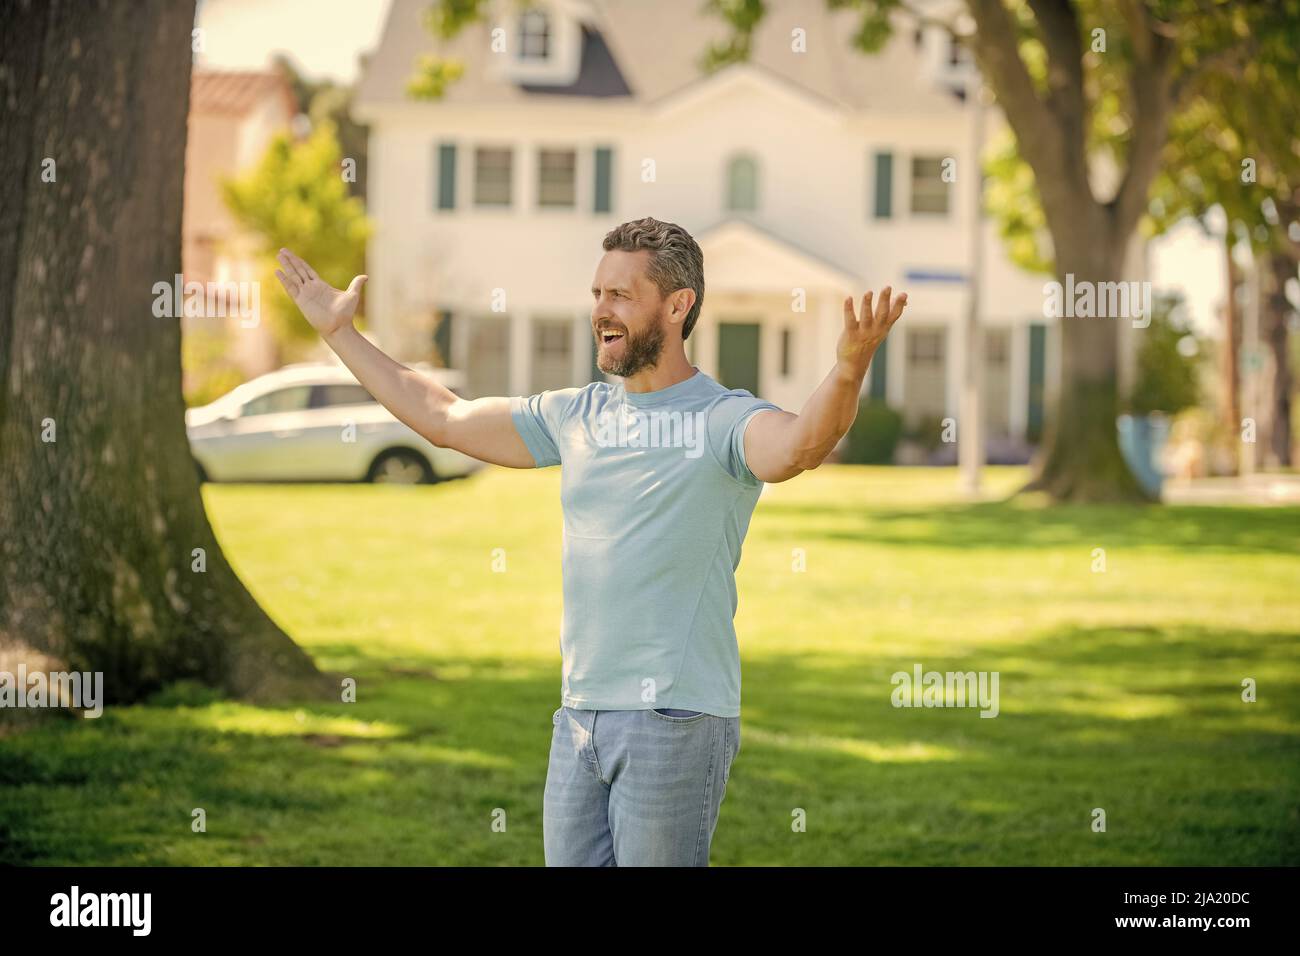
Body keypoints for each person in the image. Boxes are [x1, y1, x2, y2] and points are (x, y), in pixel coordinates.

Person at [274, 216, 907, 865]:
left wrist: (849, 370)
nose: (600, 311)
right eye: (597, 293)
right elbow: (443, 418)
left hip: (675, 717)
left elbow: (800, 444)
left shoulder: (722, 420)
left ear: (678, 304)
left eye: (620, 296)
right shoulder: (577, 416)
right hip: (579, 718)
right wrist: (341, 334)